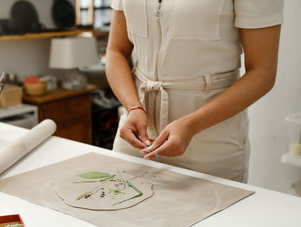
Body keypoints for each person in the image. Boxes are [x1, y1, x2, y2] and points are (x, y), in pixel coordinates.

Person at [105, 0, 283, 182]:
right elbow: (115, 51)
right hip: (136, 140)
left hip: (210, 147)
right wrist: (133, 107)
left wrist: (192, 125)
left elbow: (263, 73)